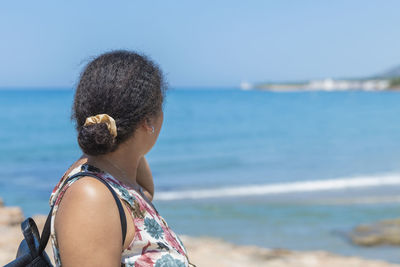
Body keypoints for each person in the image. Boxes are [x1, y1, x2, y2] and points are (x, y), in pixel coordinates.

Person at [48, 51, 195, 267]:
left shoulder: (116, 181)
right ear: (148, 120)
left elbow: (145, 192)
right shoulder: (91, 197)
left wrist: (121, 135)